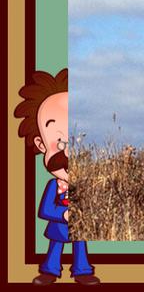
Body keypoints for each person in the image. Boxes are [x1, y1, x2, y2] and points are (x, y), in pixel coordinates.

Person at [14, 69, 101, 285]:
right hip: (59, 226)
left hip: (79, 225)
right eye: (60, 143)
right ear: (40, 145)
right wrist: (63, 215)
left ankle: (82, 270)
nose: (68, 152)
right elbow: (44, 209)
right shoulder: (55, 185)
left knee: (80, 245)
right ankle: (50, 270)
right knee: (55, 248)